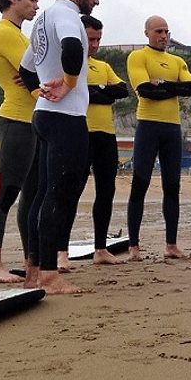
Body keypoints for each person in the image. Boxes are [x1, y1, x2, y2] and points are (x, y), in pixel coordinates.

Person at [18, 0, 103, 294]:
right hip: (65, 117)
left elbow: (26, 70)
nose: (96, 1)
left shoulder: (42, 19)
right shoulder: (67, 13)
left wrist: (40, 90)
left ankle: (33, 270)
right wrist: (67, 84)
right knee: (59, 194)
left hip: (44, 115)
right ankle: (51, 276)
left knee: (41, 194)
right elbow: (73, 47)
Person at [56, 15, 129, 270]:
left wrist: (92, 91)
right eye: (90, 39)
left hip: (106, 134)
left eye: (98, 39)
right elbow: (73, 90)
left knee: (106, 190)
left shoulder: (103, 66)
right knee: (71, 191)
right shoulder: (68, 65)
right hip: (78, 131)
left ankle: (100, 248)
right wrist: (98, 92)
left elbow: (122, 91)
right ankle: (61, 252)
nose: (95, 44)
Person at [0, 0, 42, 283]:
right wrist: (37, 71)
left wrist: (36, 71)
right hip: (15, 119)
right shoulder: (4, 33)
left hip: (32, 120)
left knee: (31, 197)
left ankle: (31, 263)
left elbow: (37, 70)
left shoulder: (21, 36)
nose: (35, 6)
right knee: (6, 192)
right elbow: (40, 69)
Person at [126, 15, 191, 261]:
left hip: (171, 129)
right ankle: (134, 246)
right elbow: (146, 91)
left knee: (172, 186)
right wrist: (171, 87)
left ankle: (171, 245)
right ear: (147, 33)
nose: (164, 36)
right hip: (148, 126)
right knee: (140, 183)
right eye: (158, 31)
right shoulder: (138, 57)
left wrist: (163, 83)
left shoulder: (176, 60)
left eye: (167, 31)